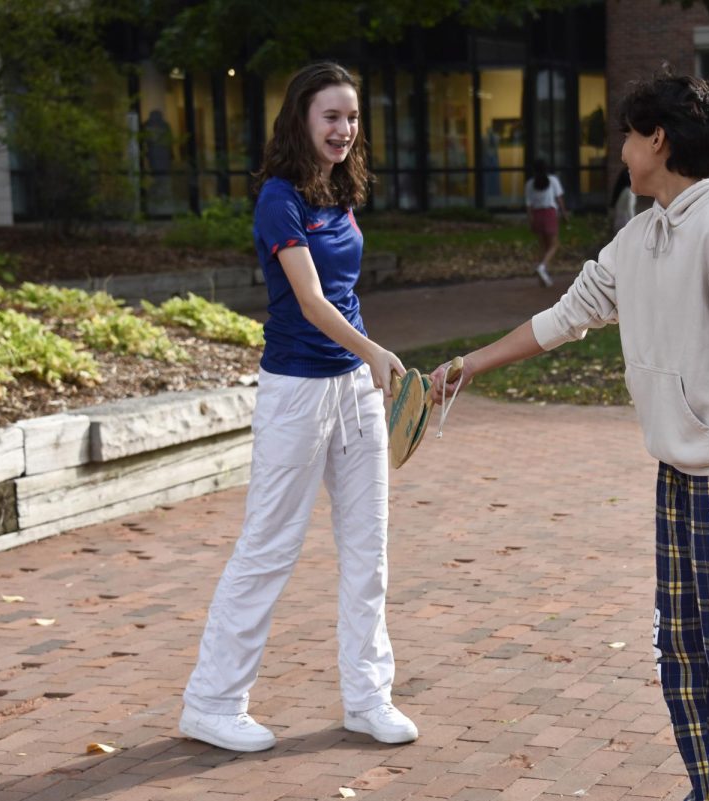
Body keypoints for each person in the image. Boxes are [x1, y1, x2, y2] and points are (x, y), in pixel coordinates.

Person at [434, 71, 709, 801]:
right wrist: (471, 363)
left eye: (627, 134)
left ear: (657, 139)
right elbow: (568, 316)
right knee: (685, 650)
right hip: (680, 475)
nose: (620, 149)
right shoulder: (641, 235)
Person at [179, 61, 419, 752]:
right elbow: (310, 302)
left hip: (354, 392)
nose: (343, 129)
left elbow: (343, 295)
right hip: (296, 393)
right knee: (268, 547)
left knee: (368, 552)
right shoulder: (278, 199)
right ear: (301, 121)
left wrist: (369, 361)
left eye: (350, 117)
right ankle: (212, 701)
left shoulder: (338, 191)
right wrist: (375, 351)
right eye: (330, 117)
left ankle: (368, 698)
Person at [524, 158, 567, 288]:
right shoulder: (553, 180)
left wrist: (531, 220)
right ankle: (542, 267)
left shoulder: (530, 184)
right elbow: (559, 199)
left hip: (537, 215)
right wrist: (564, 214)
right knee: (554, 244)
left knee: (543, 246)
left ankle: (543, 277)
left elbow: (529, 205)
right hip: (549, 213)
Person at [609, 167, 636, 234]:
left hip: (619, 225)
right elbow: (630, 210)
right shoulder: (630, 192)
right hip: (627, 227)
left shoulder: (621, 191)